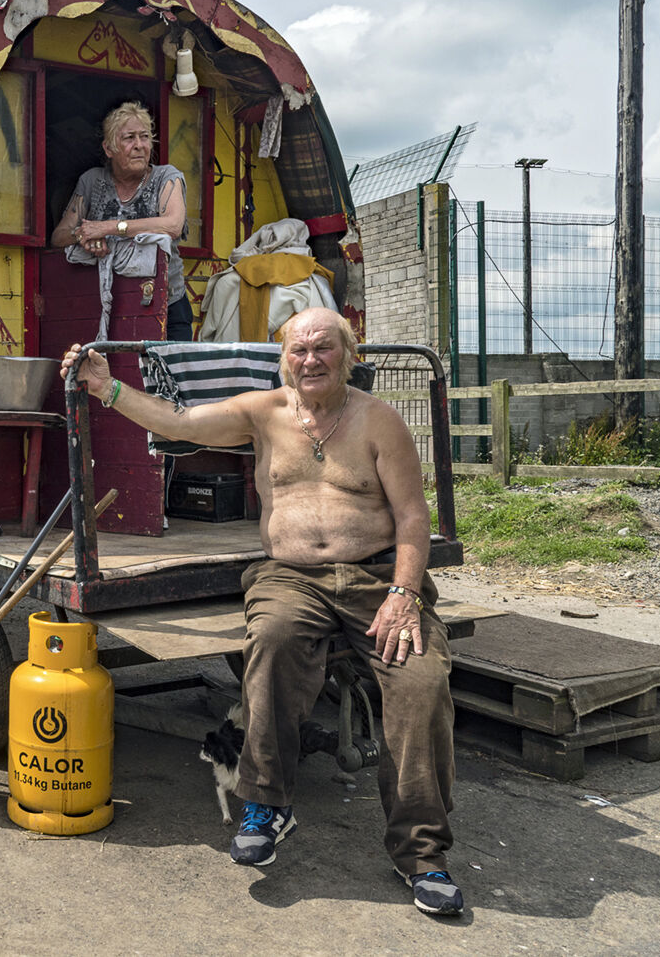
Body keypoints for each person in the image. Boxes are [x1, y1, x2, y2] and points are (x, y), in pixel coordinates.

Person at [59, 306, 464, 916]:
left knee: (421, 680)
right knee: (270, 646)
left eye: (323, 348)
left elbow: (412, 518)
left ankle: (423, 854)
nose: (310, 360)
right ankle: (266, 806)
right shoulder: (263, 413)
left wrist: (404, 595)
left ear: (348, 354)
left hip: (376, 576)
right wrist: (104, 385)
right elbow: (180, 420)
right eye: (298, 350)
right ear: (284, 358)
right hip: (289, 577)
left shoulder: (379, 422)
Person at [50, 102, 193, 341]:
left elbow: (172, 225)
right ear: (109, 148)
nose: (139, 145)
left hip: (166, 306)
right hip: (110, 306)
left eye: (145, 137)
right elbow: (59, 236)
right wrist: (85, 236)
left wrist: (108, 228)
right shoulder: (92, 181)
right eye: (129, 138)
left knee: (170, 377)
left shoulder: (166, 177)